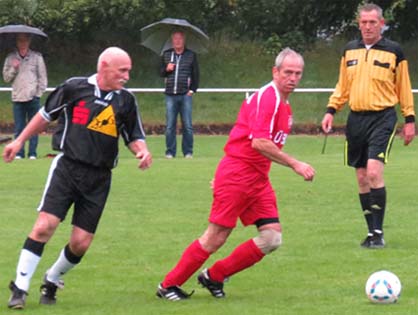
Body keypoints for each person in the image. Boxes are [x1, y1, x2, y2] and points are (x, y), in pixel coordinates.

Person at [156, 48, 315, 301]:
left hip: (257, 179)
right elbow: (259, 143)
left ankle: (214, 276)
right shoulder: (268, 98)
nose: (293, 78)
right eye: (288, 72)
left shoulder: (284, 105)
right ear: (275, 72)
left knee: (271, 237)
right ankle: (168, 285)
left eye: (297, 73)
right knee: (215, 237)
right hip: (239, 175)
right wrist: (295, 164)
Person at [3, 47, 152, 309]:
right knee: (44, 226)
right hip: (67, 169)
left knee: (80, 243)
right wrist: (19, 141)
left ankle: (52, 278)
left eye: (128, 70)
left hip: (100, 178)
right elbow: (44, 116)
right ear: (104, 66)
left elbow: (133, 135)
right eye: (123, 70)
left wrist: (143, 151)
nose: (127, 76)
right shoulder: (74, 88)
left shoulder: (126, 101)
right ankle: (20, 287)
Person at [321, 3, 415, 249]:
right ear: (358, 24)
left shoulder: (394, 52)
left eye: (373, 22)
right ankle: (371, 232)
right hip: (356, 120)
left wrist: (410, 119)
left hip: (383, 118)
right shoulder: (349, 51)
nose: (368, 27)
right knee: (362, 177)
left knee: (374, 171)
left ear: (381, 24)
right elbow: (342, 86)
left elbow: (403, 87)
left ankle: (379, 231)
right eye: (363, 22)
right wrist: (331, 110)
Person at [2, 33, 47, 159]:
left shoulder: (37, 57)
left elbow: (42, 78)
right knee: (19, 127)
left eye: (25, 41)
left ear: (29, 42)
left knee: (33, 127)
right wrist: (14, 68)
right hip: (17, 97)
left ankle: (32, 153)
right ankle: (19, 153)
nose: (23, 43)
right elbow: (6, 78)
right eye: (20, 41)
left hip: (33, 97)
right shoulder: (10, 58)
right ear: (17, 42)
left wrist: (38, 94)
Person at [160, 30, 199, 159]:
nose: (177, 41)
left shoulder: (191, 55)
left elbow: (196, 74)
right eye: (175, 39)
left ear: (184, 40)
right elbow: (160, 72)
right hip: (170, 94)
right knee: (170, 125)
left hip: (185, 94)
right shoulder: (166, 55)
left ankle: (188, 152)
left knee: (187, 125)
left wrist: (192, 90)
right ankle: (170, 152)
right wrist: (167, 69)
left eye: (180, 39)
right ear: (172, 40)